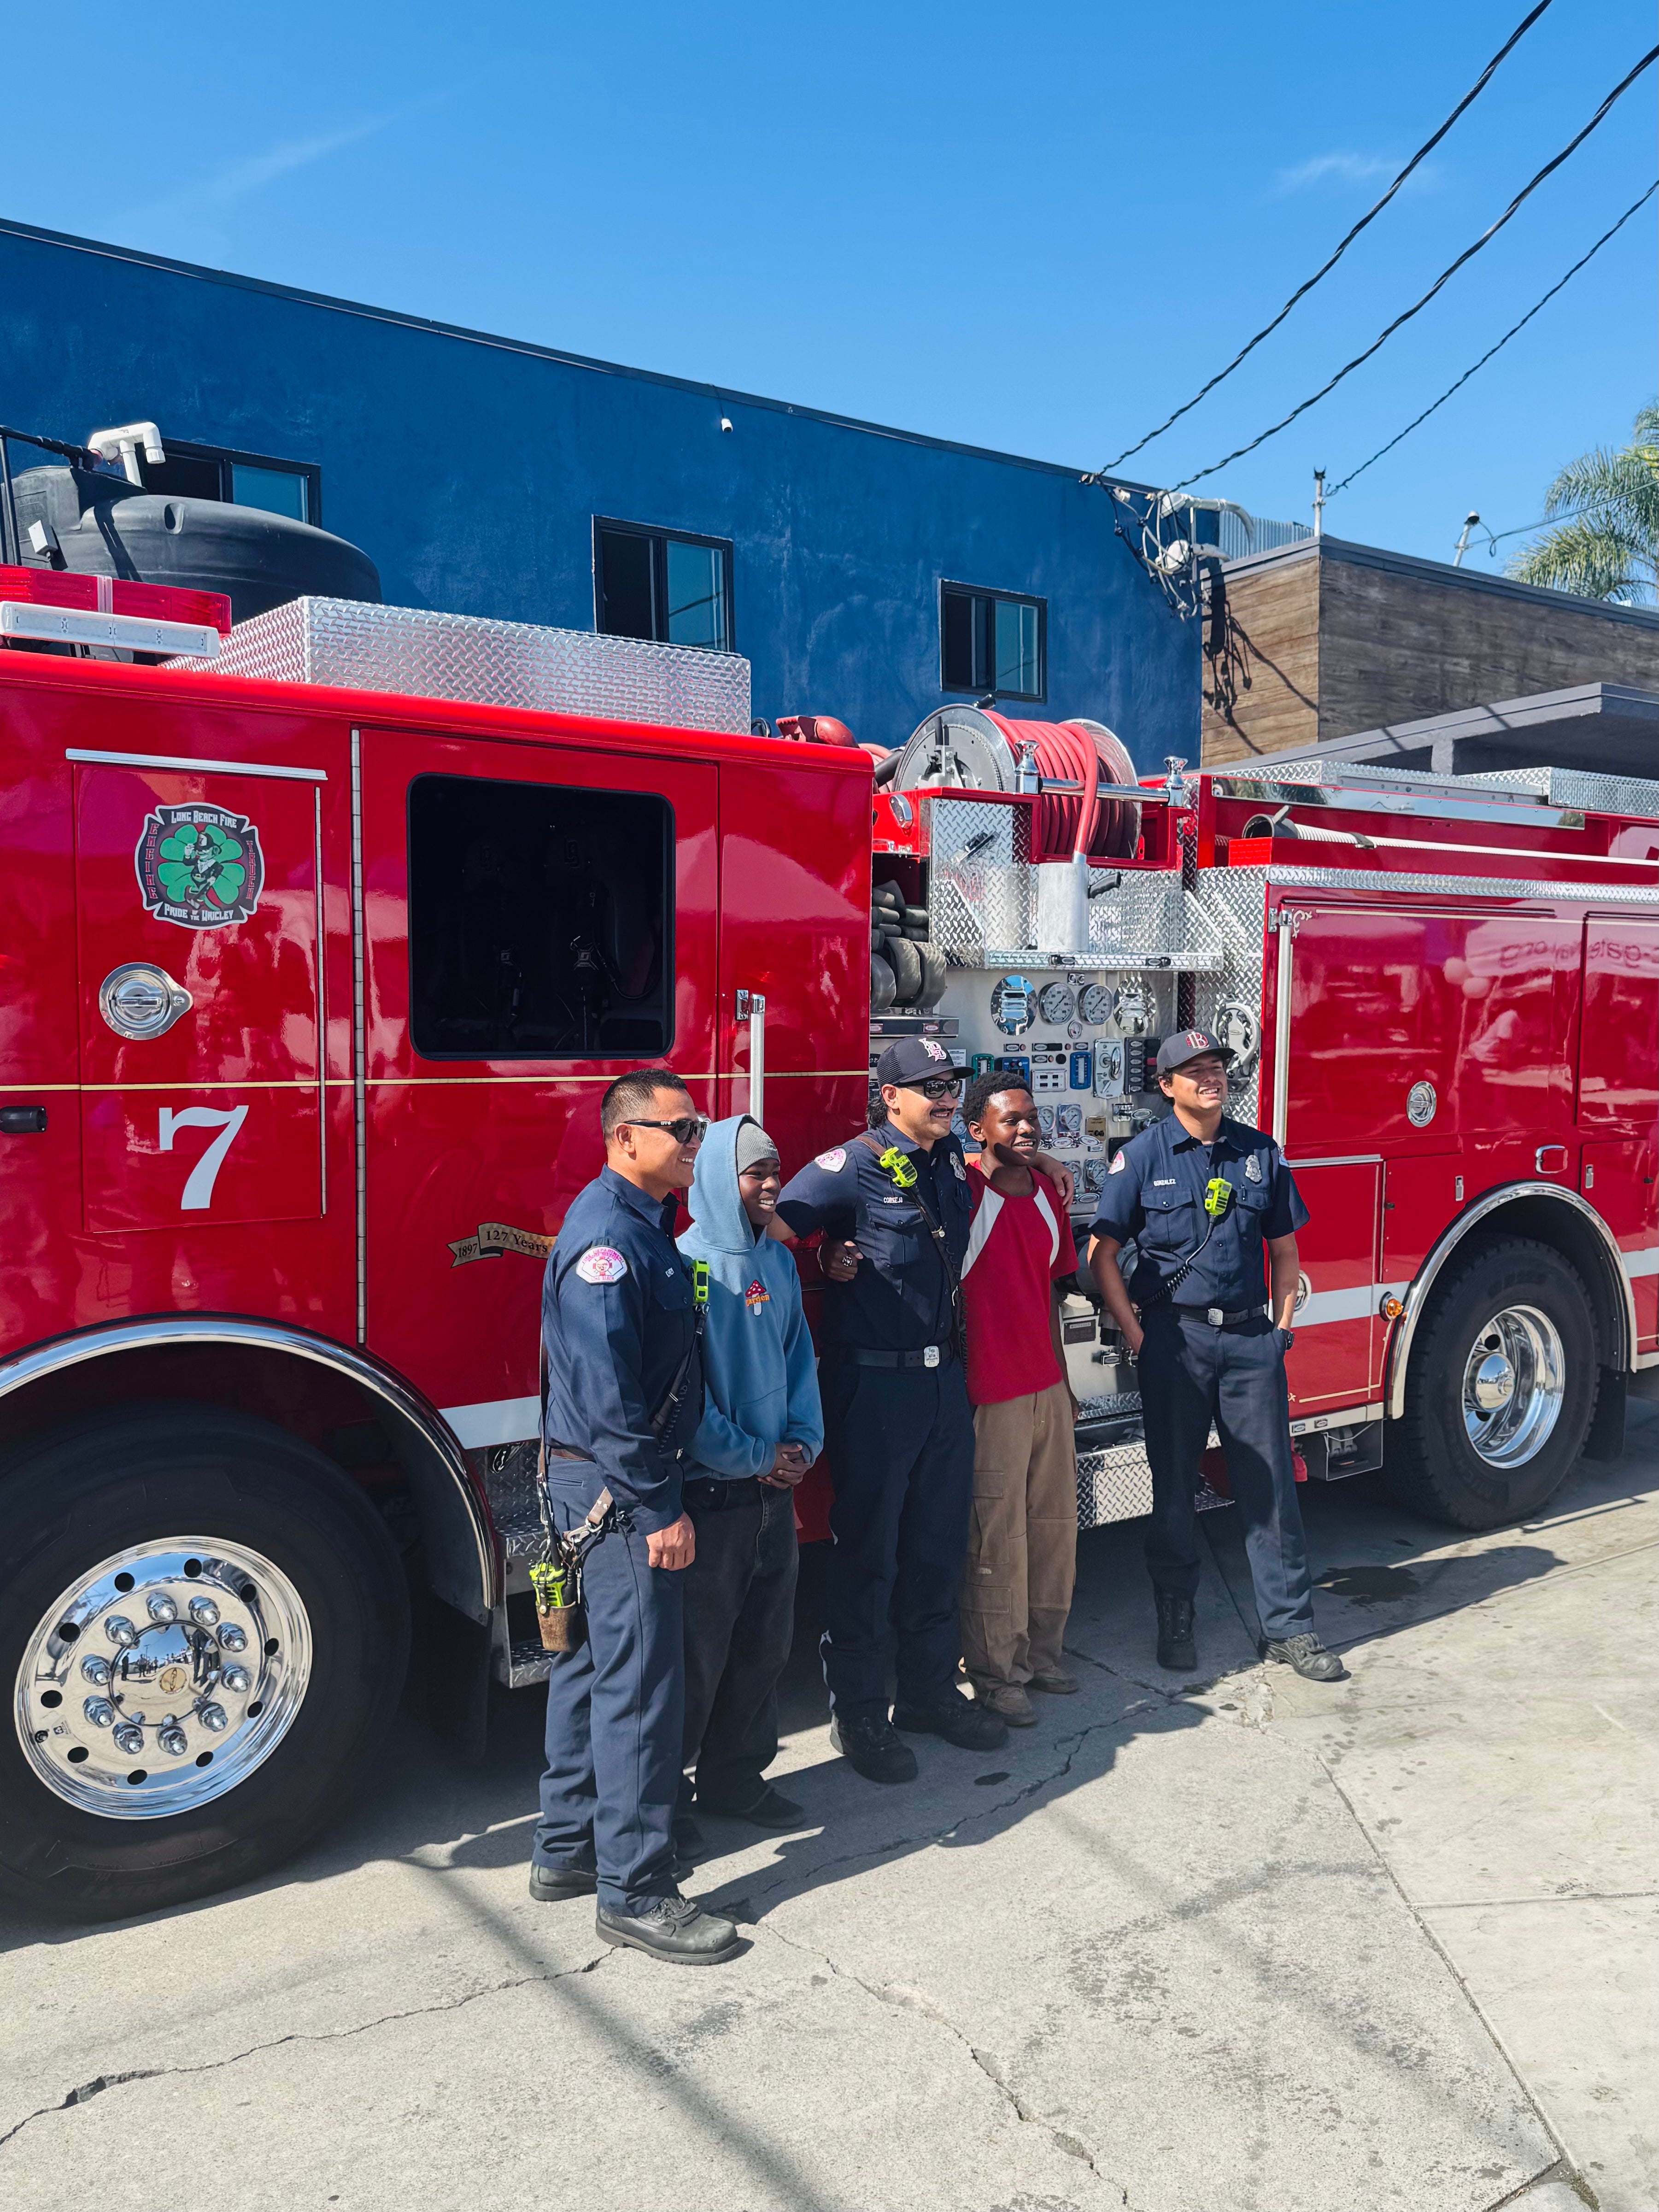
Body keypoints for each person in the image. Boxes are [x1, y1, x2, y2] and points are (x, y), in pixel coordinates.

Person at [775, 1038, 1076, 1783]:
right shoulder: (854, 1165)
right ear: (890, 1096)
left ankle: (929, 1694)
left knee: (938, 1548)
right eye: (929, 1087)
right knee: (869, 1555)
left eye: (949, 1085)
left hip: (946, 1384)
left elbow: (998, 1157)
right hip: (876, 1389)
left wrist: (1041, 1161)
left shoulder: (946, 1159)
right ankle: (860, 1713)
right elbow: (777, 1224)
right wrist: (822, 1257)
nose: (944, 1096)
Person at [528, 1068, 743, 1965]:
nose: (695, 1144)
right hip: (621, 1495)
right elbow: (609, 1394)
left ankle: (570, 1847)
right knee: (642, 1693)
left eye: (697, 1130)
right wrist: (658, 1507)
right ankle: (637, 1891)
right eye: (681, 1129)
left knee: (588, 1673)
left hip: (601, 1489)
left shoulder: (643, 1228)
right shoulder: (607, 1246)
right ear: (625, 1139)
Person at [1087, 1030, 1346, 1684]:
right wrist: (1138, 1334)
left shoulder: (1257, 1151)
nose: (1210, 1078)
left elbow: (1284, 1249)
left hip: (1249, 1340)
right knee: (1173, 1487)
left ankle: (1289, 1627)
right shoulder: (1140, 1157)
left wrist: (1280, 1329)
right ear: (1166, 1084)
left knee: (1269, 1487)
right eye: (1193, 1070)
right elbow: (1102, 1255)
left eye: (1217, 1068)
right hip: (1174, 1342)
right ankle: (1176, 1614)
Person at [674, 1115, 823, 1846]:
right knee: (696, 1658)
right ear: (713, 1180)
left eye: (775, 1171)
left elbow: (799, 1360)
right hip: (713, 1496)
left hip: (774, 1490)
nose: (770, 1186)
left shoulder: (780, 1263)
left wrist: (801, 1443)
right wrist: (754, 1457)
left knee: (764, 1646)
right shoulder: (686, 1266)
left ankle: (735, 1778)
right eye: (755, 1172)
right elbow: (683, 1404)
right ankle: (662, 1800)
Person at [958, 1076, 1081, 1725]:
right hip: (989, 1395)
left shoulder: (1046, 1196)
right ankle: (994, 1670)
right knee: (994, 1540)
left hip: (1045, 1390)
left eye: (1032, 1120)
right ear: (977, 1130)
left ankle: (1042, 1653)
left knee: (1054, 1531)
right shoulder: (960, 1195)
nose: (1027, 1130)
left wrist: (1064, 1385)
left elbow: (1054, 1296)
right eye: (1010, 1121)